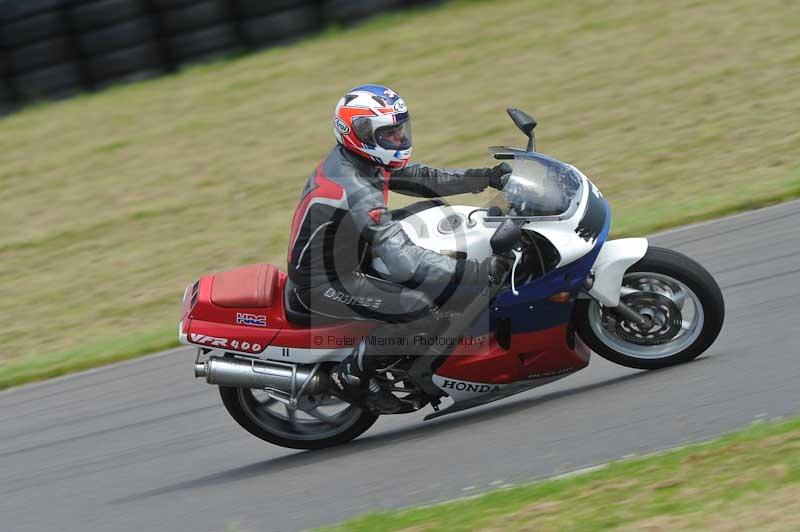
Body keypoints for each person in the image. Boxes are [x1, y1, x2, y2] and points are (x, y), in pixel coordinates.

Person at [286, 84, 511, 412]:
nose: (398, 139)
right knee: (416, 307)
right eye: (388, 133)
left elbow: (423, 178)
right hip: (324, 283)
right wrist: (475, 273)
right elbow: (404, 263)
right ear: (359, 133)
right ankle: (351, 376)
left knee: (436, 237)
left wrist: (485, 177)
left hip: (351, 258)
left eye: (399, 129)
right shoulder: (356, 187)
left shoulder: (361, 160)